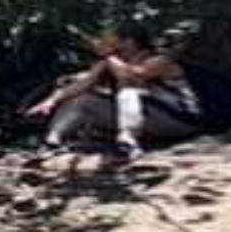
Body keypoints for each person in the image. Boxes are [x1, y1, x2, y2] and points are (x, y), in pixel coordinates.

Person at [26, 28, 205, 166]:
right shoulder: (109, 63)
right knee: (82, 99)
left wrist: (109, 57)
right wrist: (49, 102)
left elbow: (131, 77)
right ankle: (52, 142)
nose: (100, 42)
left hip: (179, 119)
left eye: (108, 38)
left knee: (128, 91)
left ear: (128, 42)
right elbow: (80, 85)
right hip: (146, 118)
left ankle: (128, 142)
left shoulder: (159, 61)